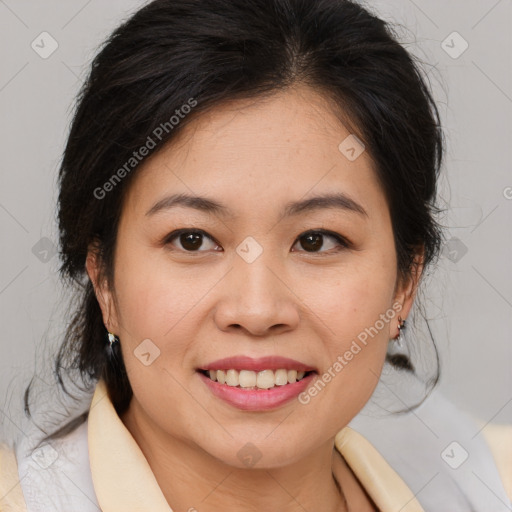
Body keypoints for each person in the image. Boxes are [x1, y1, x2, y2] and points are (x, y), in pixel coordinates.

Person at [1, 0, 510, 511]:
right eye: (192, 239)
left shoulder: (489, 482)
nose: (257, 310)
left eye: (317, 240)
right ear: (104, 280)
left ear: (405, 282)